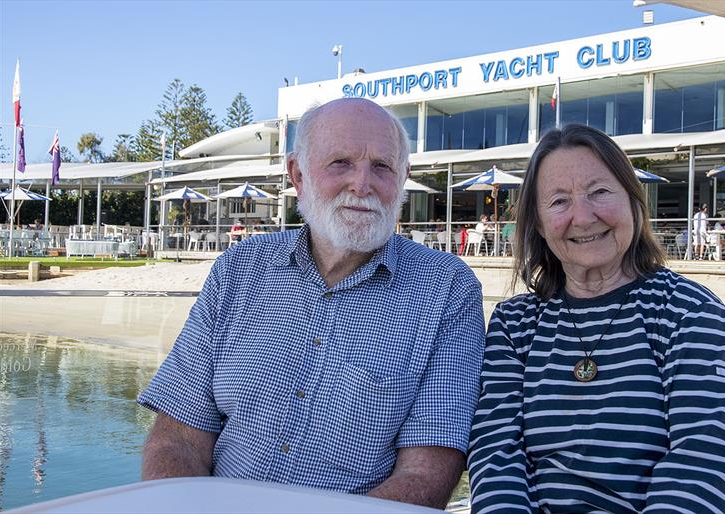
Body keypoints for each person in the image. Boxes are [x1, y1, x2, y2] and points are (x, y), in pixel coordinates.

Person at [137, 98, 485, 509]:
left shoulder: (447, 290)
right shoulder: (238, 270)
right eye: (340, 163)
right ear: (297, 174)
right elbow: (177, 439)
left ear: (403, 179)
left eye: (382, 167)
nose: (362, 184)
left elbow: (425, 476)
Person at [467, 124, 725, 514]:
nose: (582, 217)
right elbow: (497, 456)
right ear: (540, 226)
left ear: (633, 201)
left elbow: (701, 460)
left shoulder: (688, 310)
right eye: (559, 201)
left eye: (599, 192)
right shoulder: (516, 325)